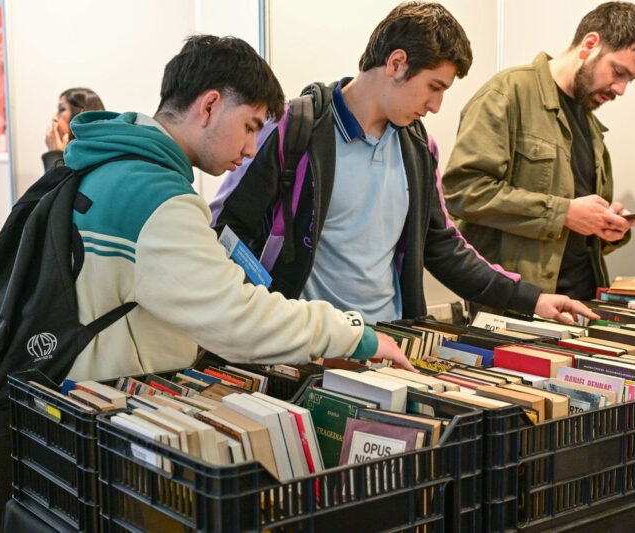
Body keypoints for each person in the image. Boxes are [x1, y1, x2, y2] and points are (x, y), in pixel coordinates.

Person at [210, 2, 596, 326]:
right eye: (434, 87)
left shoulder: (418, 146)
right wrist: (258, 325)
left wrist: (530, 299)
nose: (436, 105)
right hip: (304, 348)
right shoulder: (294, 127)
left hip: (389, 345)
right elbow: (228, 231)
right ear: (396, 63)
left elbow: (442, 245)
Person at [62, 35, 415, 382]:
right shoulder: (158, 199)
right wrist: (354, 335)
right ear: (210, 105)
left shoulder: (106, 164)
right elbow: (237, 319)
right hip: (107, 404)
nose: (250, 148)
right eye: (250, 127)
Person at [442, 2, 635, 300]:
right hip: (518, 308)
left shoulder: (591, 126)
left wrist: (607, 227)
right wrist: (564, 213)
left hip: (581, 305)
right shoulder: (508, 93)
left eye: (630, 80)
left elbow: (576, 230)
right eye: (618, 71)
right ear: (590, 44)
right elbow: (463, 191)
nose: (620, 89)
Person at [42, 87, 105, 172]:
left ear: (81, 115)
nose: (54, 118)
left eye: (62, 109)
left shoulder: (95, 160)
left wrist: (55, 155)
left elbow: (57, 185)